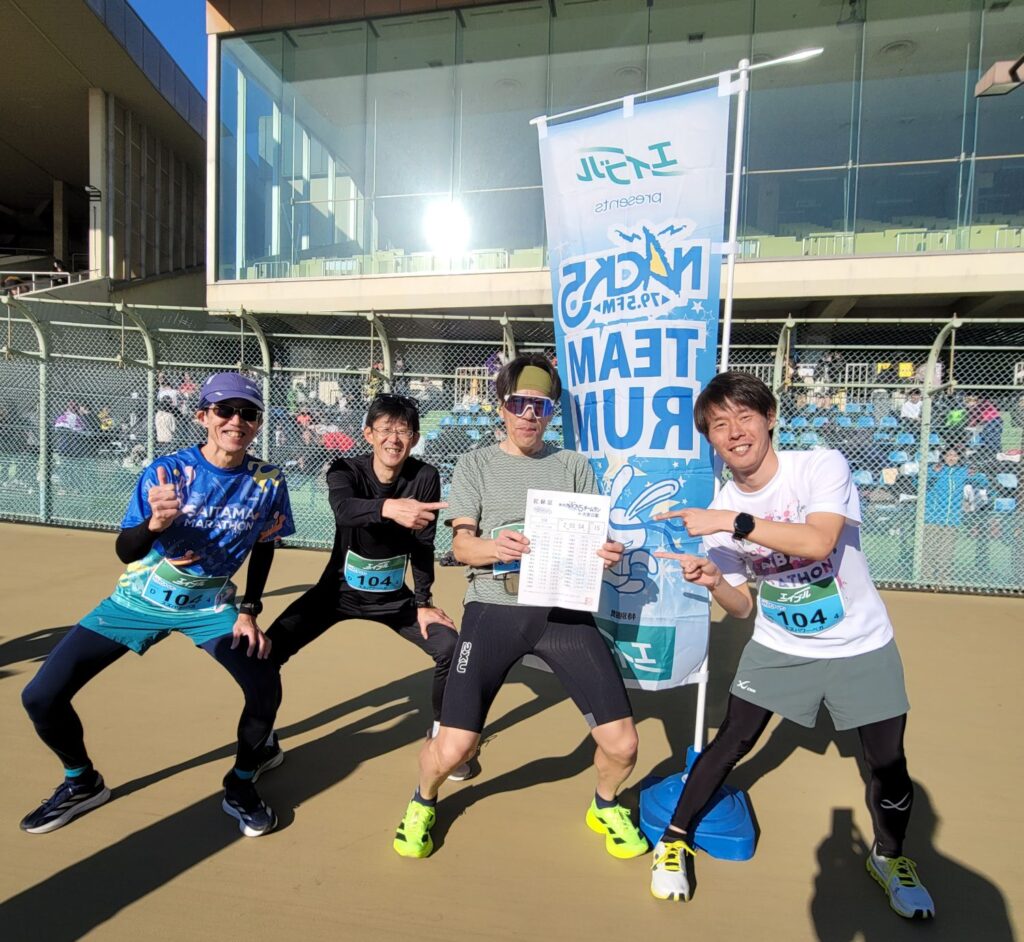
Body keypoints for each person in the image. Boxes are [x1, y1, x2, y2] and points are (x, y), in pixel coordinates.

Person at [651, 371, 934, 920]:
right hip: (780, 645)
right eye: (719, 425)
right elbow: (742, 606)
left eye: (745, 417)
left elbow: (819, 540)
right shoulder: (720, 512)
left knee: (888, 761)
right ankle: (674, 840)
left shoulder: (818, 467)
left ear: (770, 418)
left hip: (860, 642)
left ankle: (890, 856)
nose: (735, 432)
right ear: (709, 438)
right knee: (731, 741)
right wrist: (714, 580)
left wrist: (733, 521)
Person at [390, 354, 644, 862]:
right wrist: (494, 546)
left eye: (541, 406)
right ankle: (423, 800)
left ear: (552, 412)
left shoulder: (574, 466)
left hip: (562, 614)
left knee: (624, 745)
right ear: (502, 406)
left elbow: (593, 543)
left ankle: (604, 804)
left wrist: (605, 552)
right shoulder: (476, 464)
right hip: (494, 608)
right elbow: (462, 548)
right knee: (454, 748)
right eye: (519, 403)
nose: (529, 414)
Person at [20, 372, 295, 838]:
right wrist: (153, 524)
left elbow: (266, 543)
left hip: (209, 607)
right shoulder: (167, 472)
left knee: (265, 684)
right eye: (225, 410)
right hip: (138, 601)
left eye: (248, 413)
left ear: (258, 423)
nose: (236, 421)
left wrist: (250, 608)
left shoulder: (267, 479)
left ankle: (243, 778)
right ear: (203, 416)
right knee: (40, 696)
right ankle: (82, 782)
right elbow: (125, 551)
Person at [266, 393, 462, 769]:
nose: (394, 439)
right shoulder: (345, 470)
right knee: (267, 652)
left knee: (450, 647)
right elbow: (344, 510)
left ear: (415, 438)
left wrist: (423, 602)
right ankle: (262, 743)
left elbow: (422, 545)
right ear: (368, 434)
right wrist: (388, 507)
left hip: (395, 599)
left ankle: (441, 737)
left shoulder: (424, 477)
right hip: (336, 593)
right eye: (385, 429)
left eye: (403, 431)